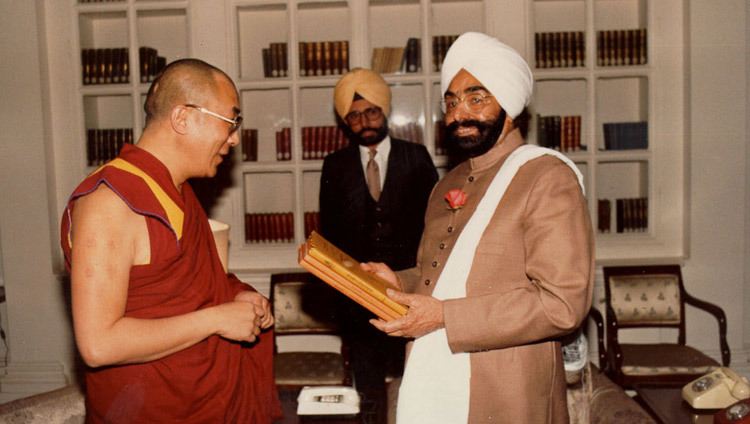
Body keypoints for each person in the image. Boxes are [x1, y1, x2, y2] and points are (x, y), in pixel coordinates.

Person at [365, 32, 595, 423]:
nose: (458, 115)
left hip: (509, 390)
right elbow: (438, 275)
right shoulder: (447, 183)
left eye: (477, 98)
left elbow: (562, 304)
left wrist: (444, 318)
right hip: (432, 375)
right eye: (451, 102)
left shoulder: (547, 177)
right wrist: (399, 281)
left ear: (510, 104)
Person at [60, 59, 283, 423]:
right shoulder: (109, 204)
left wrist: (236, 294)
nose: (235, 138)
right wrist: (217, 319)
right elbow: (98, 344)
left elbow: (196, 285)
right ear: (182, 118)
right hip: (150, 410)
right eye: (230, 122)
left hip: (207, 400)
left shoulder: (178, 190)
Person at [319, 68, 438, 423]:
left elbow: (436, 227)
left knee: (418, 379)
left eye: (371, 112)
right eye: (354, 116)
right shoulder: (335, 166)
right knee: (368, 387)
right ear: (345, 122)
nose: (364, 121)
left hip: (410, 292)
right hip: (358, 299)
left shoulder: (415, 157)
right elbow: (330, 235)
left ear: (384, 111)